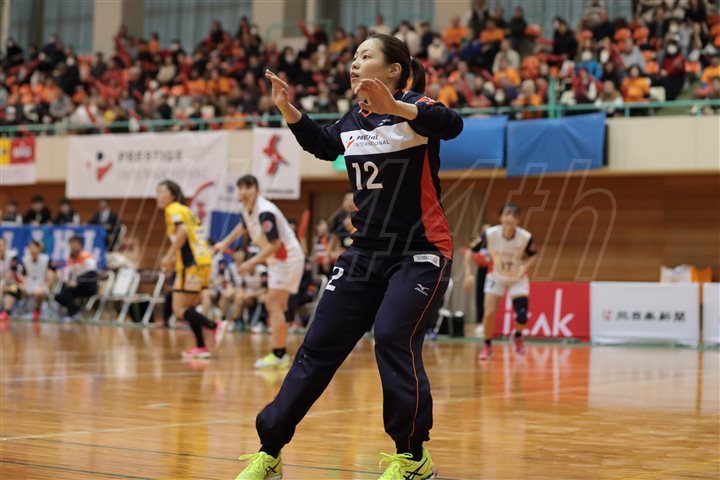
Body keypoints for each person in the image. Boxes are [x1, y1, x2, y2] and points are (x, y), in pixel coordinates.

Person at [233, 33, 462, 480]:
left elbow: (451, 123)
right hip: (365, 253)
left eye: (365, 55)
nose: (354, 63)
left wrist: (395, 107)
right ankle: (270, 451)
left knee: (392, 337)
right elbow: (323, 144)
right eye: (354, 56)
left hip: (420, 252)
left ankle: (413, 458)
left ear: (393, 69)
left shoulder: (415, 109)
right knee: (318, 347)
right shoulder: (354, 118)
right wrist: (288, 108)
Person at [214, 175, 304, 369]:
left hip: (286, 259)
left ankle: (279, 353)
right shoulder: (247, 210)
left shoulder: (265, 212)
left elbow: (275, 244)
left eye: (249, 187)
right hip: (277, 260)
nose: (244, 191)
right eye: (241, 188)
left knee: (272, 303)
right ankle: (281, 352)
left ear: (257, 190)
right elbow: (242, 227)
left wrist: (251, 262)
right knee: (279, 305)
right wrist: (224, 243)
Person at [156, 180, 223, 359]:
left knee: (179, 308)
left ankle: (214, 325)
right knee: (189, 307)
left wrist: (169, 256)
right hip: (202, 262)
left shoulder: (172, 209)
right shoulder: (186, 210)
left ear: (172, 194)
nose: (158, 196)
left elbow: (183, 232)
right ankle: (201, 346)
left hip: (192, 264)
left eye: (161, 192)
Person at [473, 204, 538, 360]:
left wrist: (524, 268)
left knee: (522, 315)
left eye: (514, 216)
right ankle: (487, 345)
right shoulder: (490, 234)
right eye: (507, 215)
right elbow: (470, 250)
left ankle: (517, 336)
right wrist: (468, 274)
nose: (510, 218)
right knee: (489, 314)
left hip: (517, 279)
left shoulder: (525, 237)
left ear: (518, 220)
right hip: (496, 277)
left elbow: (534, 255)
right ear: (501, 217)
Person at [54, 236, 98, 322]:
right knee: (58, 296)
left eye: (73, 244)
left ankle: (71, 314)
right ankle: (77, 310)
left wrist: (77, 282)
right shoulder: (71, 258)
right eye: (70, 244)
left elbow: (92, 274)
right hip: (75, 285)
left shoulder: (86, 256)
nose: (71, 247)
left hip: (88, 285)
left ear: (79, 244)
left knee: (68, 292)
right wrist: (65, 278)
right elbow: (68, 271)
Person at [463, 224, 491, 334]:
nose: (486, 234)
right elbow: (468, 251)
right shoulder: (480, 242)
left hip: (494, 271)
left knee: (490, 297)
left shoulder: (496, 241)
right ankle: (480, 322)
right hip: (482, 272)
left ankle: (489, 322)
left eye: (488, 231)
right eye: (484, 232)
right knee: (480, 296)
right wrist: (468, 274)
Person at [19, 239, 54, 322]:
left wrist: (47, 286)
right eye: (30, 247)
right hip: (29, 284)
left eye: (34, 247)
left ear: (39, 248)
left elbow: (52, 275)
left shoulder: (46, 259)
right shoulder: (25, 260)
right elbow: (23, 275)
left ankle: (37, 311)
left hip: (42, 284)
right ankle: (23, 311)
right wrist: (24, 284)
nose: (32, 249)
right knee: (18, 288)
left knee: (38, 292)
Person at [0, 237, 21, 322]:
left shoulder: (12, 256)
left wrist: (4, 283)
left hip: (12, 284)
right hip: (1, 285)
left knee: (13, 291)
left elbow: (13, 274)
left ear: (5, 245)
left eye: (1, 245)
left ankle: (5, 312)